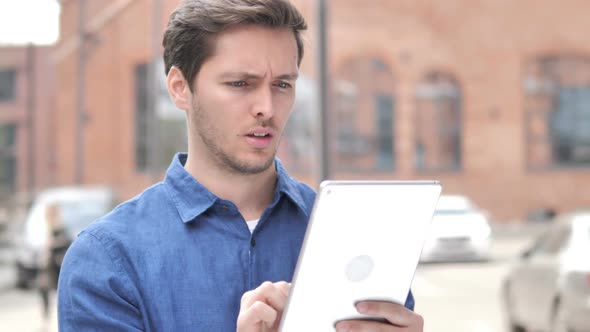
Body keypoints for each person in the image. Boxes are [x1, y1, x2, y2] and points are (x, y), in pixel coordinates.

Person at [58, 0, 424, 331]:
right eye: (240, 83)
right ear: (180, 88)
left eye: (282, 84)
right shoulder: (107, 260)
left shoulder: (352, 235)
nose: (266, 106)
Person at [38, 203, 69, 325]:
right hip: (47, 266)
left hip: (58, 265)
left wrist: (53, 244)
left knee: (61, 293)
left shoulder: (60, 227)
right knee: (43, 289)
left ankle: (60, 319)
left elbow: (66, 241)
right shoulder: (45, 227)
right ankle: (45, 319)